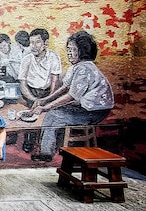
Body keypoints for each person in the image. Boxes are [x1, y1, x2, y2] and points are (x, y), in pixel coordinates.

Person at [30, 31, 114, 162]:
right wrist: (44, 100)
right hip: (87, 106)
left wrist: (45, 108)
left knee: (52, 115)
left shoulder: (84, 68)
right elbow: (65, 87)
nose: (69, 53)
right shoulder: (75, 67)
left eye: (73, 50)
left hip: (94, 111)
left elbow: (70, 96)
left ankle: (46, 153)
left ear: (83, 51)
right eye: (68, 49)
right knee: (53, 113)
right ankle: (46, 150)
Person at [18, 28, 62, 108]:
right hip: (30, 93)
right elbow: (22, 84)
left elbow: (55, 81)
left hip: (48, 93)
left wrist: (47, 99)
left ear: (46, 43)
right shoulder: (26, 59)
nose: (33, 46)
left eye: (37, 42)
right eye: (31, 42)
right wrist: (34, 100)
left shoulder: (53, 57)